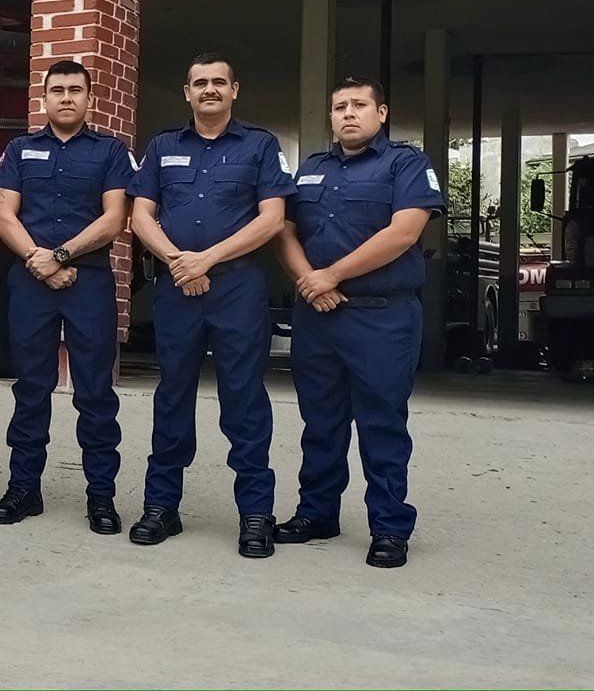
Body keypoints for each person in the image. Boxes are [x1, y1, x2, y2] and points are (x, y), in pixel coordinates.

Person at [127, 51, 295, 558]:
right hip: (178, 289)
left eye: (219, 82)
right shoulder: (161, 147)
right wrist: (181, 262)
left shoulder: (261, 146)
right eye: (200, 82)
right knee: (172, 397)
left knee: (244, 399)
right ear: (187, 92)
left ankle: (255, 514)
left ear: (234, 89)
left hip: (238, 288)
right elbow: (140, 216)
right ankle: (161, 507)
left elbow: (271, 220)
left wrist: (208, 260)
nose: (209, 90)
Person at [273, 76, 442, 569]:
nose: (348, 113)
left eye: (359, 105)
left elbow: (404, 233)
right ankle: (317, 513)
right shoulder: (310, 169)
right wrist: (309, 281)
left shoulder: (405, 164)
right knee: (320, 423)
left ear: (382, 112)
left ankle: (389, 529)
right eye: (339, 106)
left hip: (380, 318)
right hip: (317, 318)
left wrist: (331, 276)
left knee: (381, 424)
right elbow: (284, 230)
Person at [0, 60, 133, 533]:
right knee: (31, 389)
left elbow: (114, 219)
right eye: (57, 90)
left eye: (75, 90)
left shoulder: (110, 152)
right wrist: (38, 259)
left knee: (94, 392)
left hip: (88, 281)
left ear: (89, 98)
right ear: (43, 98)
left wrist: (62, 255)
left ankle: (101, 497)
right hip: (30, 282)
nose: (66, 97)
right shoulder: (20, 150)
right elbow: (4, 215)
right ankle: (23, 489)